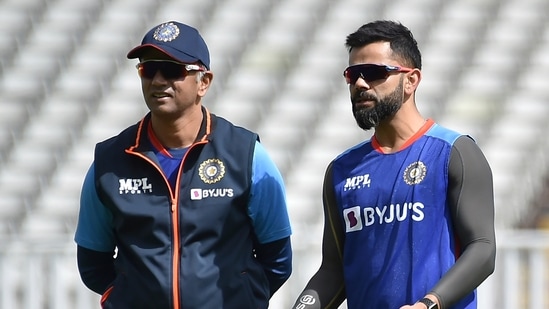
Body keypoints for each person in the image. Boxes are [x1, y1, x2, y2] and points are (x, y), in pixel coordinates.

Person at [74, 21, 292, 309]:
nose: (158, 80)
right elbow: (92, 262)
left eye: (173, 70)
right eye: (149, 69)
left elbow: (277, 260)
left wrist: (245, 297)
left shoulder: (246, 154)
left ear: (204, 82)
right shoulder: (110, 160)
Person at [292, 20, 496, 309]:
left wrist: (429, 304)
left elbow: (483, 250)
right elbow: (333, 270)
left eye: (374, 73)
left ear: (411, 80)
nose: (360, 84)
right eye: (353, 74)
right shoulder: (341, 170)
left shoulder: (455, 152)